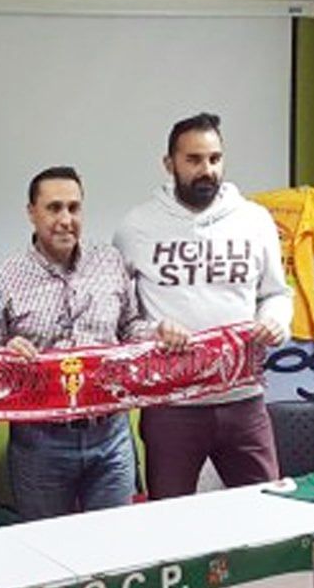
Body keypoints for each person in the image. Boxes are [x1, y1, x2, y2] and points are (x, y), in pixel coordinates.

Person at [113, 112, 292, 500]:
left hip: (243, 399)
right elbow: (122, 316)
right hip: (172, 405)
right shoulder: (136, 227)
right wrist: (154, 332)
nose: (206, 170)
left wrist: (274, 321)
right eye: (193, 160)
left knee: (267, 511)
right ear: (169, 164)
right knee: (169, 518)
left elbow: (277, 293)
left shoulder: (254, 220)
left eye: (214, 159)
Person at [0, 166, 159, 519]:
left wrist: (158, 333)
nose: (66, 219)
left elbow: (131, 327)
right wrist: (6, 354)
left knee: (114, 549)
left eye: (74, 208)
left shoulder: (109, 261)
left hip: (110, 436)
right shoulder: (3, 278)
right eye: (53, 208)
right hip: (40, 444)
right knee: (48, 552)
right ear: (31, 212)